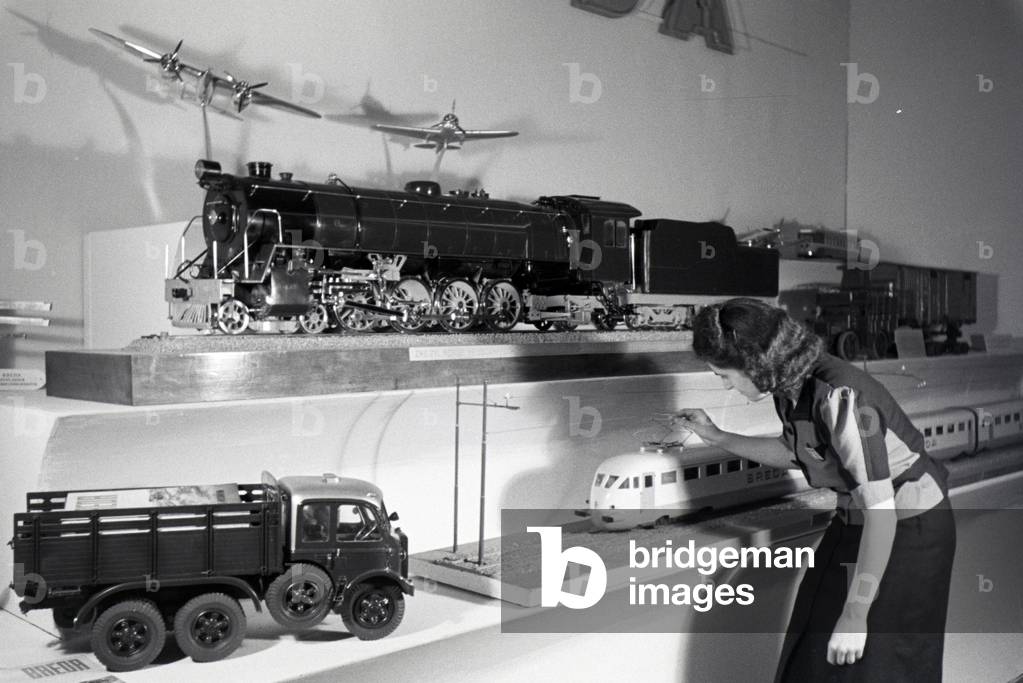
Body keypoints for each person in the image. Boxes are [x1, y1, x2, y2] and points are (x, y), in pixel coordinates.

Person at [673, 298, 956, 682]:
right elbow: (796, 452)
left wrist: (856, 615)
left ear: (756, 361)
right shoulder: (788, 386)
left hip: (909, 527)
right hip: (857, 518)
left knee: (879, 662)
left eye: (725, 374)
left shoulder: (843, 396)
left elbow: (881, 513)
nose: (724, 385)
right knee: (812, 640)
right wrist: (717, 436)